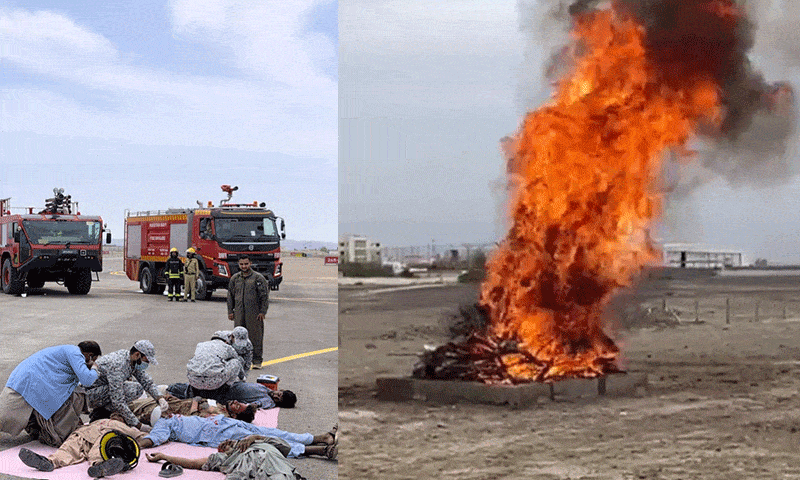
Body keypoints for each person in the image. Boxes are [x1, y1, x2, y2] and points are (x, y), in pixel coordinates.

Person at [0, 341, 101, 447]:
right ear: (89, 355)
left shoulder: (67, 351)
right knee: (78, 395)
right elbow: (87, 380)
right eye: (93, 359)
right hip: (31, 381)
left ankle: (38, 428)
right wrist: (94, 368)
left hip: (25, 379)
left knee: (9, 412)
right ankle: (57, 431)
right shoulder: (76, 354)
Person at [138, 414, 338, 460]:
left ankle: (319, 438)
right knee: (267, 443)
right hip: (221, 432)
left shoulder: (170, 417)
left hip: (225, 424)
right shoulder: (163, 426)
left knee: (273, 435)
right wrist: (136, 445)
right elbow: (152, 440)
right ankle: (318, 448)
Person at [17, 413, 146, 477]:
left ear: (123, 420)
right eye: (114, 415)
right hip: (82, 434)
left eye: (118, 416)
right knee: (68, 448)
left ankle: (99, 467)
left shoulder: (121, 426)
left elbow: (140, 436)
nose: (115, 416)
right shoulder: (97, 421)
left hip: (102, 440)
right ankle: (49, 462)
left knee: (99, 448)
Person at [86, 340, 169, 432]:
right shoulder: (117, 365)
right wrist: (138, 425)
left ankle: (109, 409)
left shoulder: (131, 360)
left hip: (103, 389)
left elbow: (146, 381)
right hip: (91, 395)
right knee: (128, 391)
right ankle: (102, 411)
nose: (147, 364)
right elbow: (118, 400)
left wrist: (159, 398)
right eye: (146, 361)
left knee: (137, 388)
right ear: (137, 354)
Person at [146, 435, 307, 479]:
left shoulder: (263, 443)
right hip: (248, 473)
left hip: (276, 470)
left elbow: (285, 446)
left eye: (230, 441)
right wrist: (164, 456)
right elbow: (193, 463)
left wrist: (254, 437)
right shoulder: (225, 460)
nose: (227, 443)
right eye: (223, 445)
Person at [227, 255, 269, 368]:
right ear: (238, 264)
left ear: (250, 263)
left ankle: (256, 361)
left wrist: (263, 312)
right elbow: (230, 296)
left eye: (246, 264)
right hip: (239, 313)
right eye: (241, 264)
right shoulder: (235, 278)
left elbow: (264, 296)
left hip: (254, 313)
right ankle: (239, 360)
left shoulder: (258, 278)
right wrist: (230, 311)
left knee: (255, 337)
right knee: (238, 337)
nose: (244, 266)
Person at [130, 394, 257, 426]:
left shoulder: (220, 415)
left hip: (170, 413)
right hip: (176, 403)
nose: (235, 402)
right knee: (135, 403)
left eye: (238, 406)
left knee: (133, 410)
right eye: (239, 402)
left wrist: (195, 402)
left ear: (235, 416)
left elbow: (194, 418)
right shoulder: (222, 407)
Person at [186, 332, 245, 398]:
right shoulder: (227, 347)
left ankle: (192, 391)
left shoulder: (200, 345)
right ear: (226, 341)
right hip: (215, 383)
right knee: (235, 362)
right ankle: (226, 389)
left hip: (194, 381)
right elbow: (238, 363)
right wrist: (242, 377)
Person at [166, 381, 297, 410]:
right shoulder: (266, 389)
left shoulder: (269, 401)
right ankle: (170, 390)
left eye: (278, 399)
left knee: (196, 391)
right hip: (228, 386)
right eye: (279, 394)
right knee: (200, 387)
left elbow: (257, 405)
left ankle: (169, 391)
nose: (276, 396)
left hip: (226, 394)